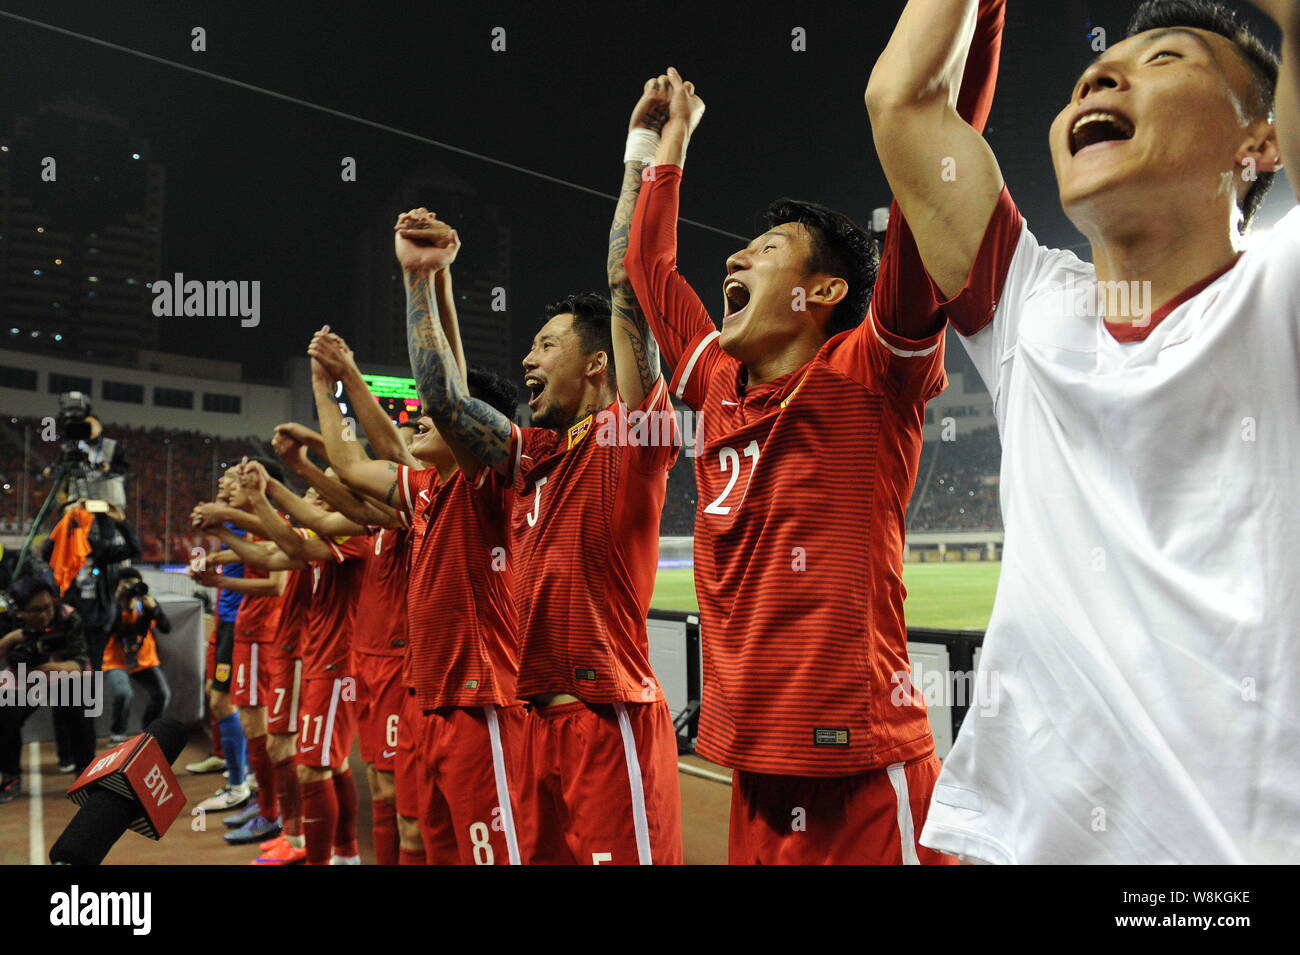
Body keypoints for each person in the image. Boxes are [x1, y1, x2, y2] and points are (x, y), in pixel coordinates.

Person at [866, 0, 1298, 863]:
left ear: (1261, 142)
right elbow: (903, 102)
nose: (1099, 75)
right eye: (1090, 75)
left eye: (1167, 58)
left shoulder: (1280, 292)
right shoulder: (1035, 308)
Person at [621, 34, 999, 862]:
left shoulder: (869, 371)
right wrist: (662, 148)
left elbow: (937, 160)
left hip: (863, 775)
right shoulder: (718, 383)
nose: (737, 255)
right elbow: (652, 271)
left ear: (823, 290)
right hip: (756, 772)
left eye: (765, 250)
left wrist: (979, 14)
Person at [398, 204, 683, 864]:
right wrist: (420, 277)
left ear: (596, 363)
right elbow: (445, 400)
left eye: (546, 344)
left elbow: (629, 289)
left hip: (608, 717)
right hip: (534, 723)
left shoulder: (628, 436)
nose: (528, 357)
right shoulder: (529, 458)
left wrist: (648, 154)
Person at [0, 577, 96, 801]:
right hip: (23, 677)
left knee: (82, 708)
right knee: (4, 714)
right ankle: (11, 776)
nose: (44, 614)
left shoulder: (68, 616)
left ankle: (86, 774)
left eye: (47, 607)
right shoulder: (7, 618)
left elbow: (80, 663)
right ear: (20, 611)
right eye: (35, 610)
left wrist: (44, 666)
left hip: (64, 673)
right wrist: (14, 638)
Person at [102, 568, 172, 743]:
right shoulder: (110, 604)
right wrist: (119, 604)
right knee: (123, 693)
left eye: (135, 583)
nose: (131, 588)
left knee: (162, 693)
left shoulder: (146, 603)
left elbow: (166, 627)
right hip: (116, 660)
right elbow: (108, 630)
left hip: (144, 660)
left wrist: (153, 610)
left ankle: (148, 733)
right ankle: (117, 734)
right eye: (126, 584)